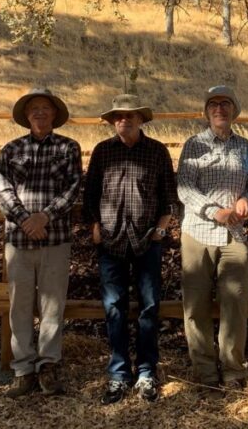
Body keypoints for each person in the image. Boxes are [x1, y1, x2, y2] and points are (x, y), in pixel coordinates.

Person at [83, 94, 178, 404]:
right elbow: (91, 193)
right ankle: (119, 373)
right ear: (112, 121)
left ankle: (148, 371)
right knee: (114, 308)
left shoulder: (157, 151)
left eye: (130, 115)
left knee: (149, 308)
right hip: (110, 241)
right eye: (118, 116)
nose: (124, 120)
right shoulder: (102, 152)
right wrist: (95, 226)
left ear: (141, 119)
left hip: (147, 240)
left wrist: (161, 229)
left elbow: (169, 196)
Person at [0, 87, 82, 398]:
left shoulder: (69, 148)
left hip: (55, 239)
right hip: (19, 241)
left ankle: (49, 366)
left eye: (46, 108)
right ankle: (23, 370)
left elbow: (72, 189)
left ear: (55, 115)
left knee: (52, 305)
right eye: (35, 109)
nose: (41, 113)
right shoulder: (10, 150)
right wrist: (25, 220)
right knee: (19, 306)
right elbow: (3, 192)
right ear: (27, 116)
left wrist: (44, 217)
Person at [177, 85, 248, 397]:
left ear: (234, 111)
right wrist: (215, 212)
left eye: (225, 104)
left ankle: (233, 371)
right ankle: (205, 372)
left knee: (235, 302)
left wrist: (245, 201)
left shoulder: (245, 147)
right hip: (198, 231)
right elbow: (184, 188)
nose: (219, 109)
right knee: (195, 305)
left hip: (234, 236)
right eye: (213, 104)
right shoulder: (194, 145)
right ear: (206, 111)